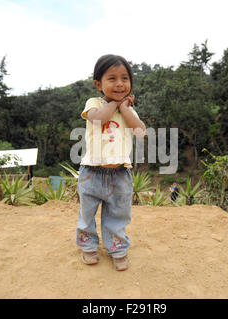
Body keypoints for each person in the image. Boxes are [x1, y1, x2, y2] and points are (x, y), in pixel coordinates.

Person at [76, 54, 146, 271]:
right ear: (98, 84)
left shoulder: (128, 110)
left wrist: (125, 109)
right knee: (87, 214)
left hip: (120, 174)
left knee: (118, 215)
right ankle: (88, 246)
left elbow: (140, 131)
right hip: (91, 172)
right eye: (112, 78)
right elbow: (99, 119)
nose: (119, 84)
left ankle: (117, 250)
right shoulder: (94, 104)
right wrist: (117, 103)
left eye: (125, 78)